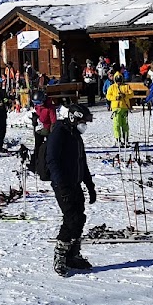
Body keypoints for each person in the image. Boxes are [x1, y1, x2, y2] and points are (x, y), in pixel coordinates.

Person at [46, 103, 97, 276]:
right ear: (74, 118)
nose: (85, 125)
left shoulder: (75, 135)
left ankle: (72, 254)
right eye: (83, 121)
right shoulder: (59, 133)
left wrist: (90, 186)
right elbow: (52, 160)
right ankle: (60, 256)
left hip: (75, 183)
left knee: (80, 218)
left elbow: (82, 161)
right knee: (71, 218)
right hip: (63, 185)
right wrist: (61, 186)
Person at [106, 73, 133, 147]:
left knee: (125, 125)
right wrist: (115, 98)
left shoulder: (126, 86)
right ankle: (118, 139)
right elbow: (108, 96)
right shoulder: (112, 87)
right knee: (116, 124)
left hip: (124, 108)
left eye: (120, 80)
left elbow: (131, 94)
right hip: (116, 108)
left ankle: (126, 139)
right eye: (117, 81)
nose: (119, 82)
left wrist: (125, 95)